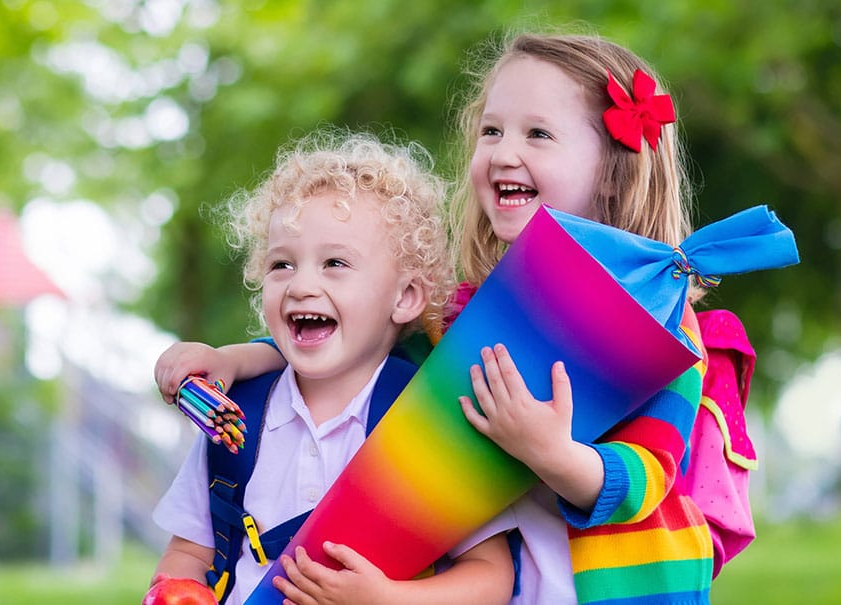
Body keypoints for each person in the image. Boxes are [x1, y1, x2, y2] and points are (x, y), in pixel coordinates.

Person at [156, 31, 718, 605]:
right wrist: (231, 359)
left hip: (619, 586)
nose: (503, 152)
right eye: (491, 130)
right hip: (517, 578)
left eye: (538, 134)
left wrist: (552, 454)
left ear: (614, 169)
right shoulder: (463, 310)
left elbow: (650, 476)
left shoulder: (659, 322)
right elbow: (355, 335)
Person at [149, 130, 514, 605]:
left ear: (405, 297)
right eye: (281, 265)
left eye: (335, 263)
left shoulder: (431, 422)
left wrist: (387, 599)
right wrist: (177, 591)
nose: (300, 286)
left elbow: (491, 577)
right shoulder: (233, 415)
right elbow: (188, 552)